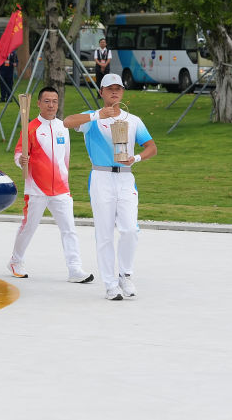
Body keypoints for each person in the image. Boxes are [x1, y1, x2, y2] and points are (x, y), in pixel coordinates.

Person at [63, 73, 157, 300]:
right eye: (109, 88)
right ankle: (110, 284)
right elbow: (67, 122)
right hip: (101, 177)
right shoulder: (91, 117)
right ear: (101, 92)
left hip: (126, 177)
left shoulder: (133, 120)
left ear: (122, 92)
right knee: (104, 233)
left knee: (129, 230)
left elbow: (151, 146)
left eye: (118, 88)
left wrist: (136, 158)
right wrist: (97, 115)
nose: (114, 92)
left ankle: (125, 274)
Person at [8, 86, 93, 284]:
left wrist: (65, 179)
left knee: (69, 228)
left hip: (61, 189)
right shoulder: (30, 127)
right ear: (38, 103)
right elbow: (19, 152)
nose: (51, 105)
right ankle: (15, 261)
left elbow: (66, 157)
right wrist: (20, 160)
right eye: (47, 101)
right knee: (29, 227)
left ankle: (74, 269)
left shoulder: (64, 127)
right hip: (37, 188)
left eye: (54, 101)